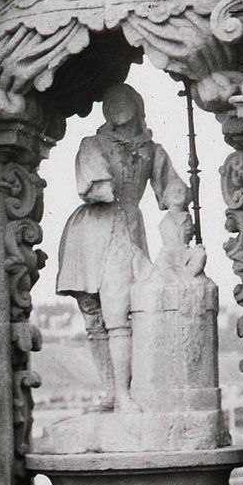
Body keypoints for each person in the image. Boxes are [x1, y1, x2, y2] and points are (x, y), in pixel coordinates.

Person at [56, 84, 188, 412]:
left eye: (125, 103)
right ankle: (112, 391)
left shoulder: (151, 150)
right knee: (94, 316)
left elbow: (172, 190)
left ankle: (125, 393)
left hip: (125, 227)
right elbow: (96, 187)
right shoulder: (93, 144)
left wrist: (177, 200)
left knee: (120, 313)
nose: (118, 109)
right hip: (90, 232)